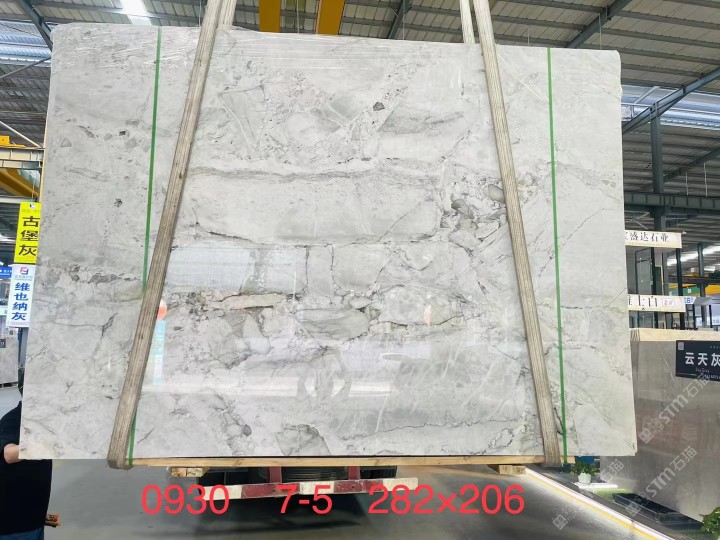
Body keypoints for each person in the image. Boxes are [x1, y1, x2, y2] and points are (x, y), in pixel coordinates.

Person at [0, 367, 52, 539]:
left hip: (33, 517)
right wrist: (47, 443)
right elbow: (9, 454)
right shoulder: (14, 419)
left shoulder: (42, 422)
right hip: (15, 526)